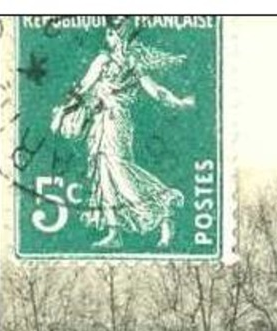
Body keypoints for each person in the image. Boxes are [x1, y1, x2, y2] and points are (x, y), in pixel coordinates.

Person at [50, 20, 196, 249]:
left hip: (118, 123)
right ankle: (114, 232)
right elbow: (81, 89)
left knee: (120, 171)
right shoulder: (102, 60)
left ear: (117, 36)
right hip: (100, 122)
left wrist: (178, 102)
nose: (108, 38)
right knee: (103, 175)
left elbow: (154, 89)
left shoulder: (132, 63)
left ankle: (164, 207)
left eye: (111, 33)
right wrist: (63, 113)